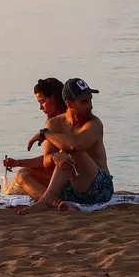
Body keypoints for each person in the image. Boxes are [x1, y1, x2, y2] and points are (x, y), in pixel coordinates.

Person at [19, 78, 112, 213]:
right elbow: (46, 161)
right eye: (84, 102)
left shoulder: (94, 124)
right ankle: (56, 203)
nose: (90, 106)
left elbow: (73, 145)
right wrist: (55, 156)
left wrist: (45, 135)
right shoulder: (54, 124)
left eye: (90, 100)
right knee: (23, 174)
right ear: (69, 104)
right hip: (71, 188)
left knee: (70, 150)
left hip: (99, 188)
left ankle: (45, 201)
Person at [1, 78, 66, 197]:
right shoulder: (73, 119)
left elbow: (47, 162)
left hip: (66, 180)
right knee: (31, 172)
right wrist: (18, 162)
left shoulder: (54, 124)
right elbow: (49, 159)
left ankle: (53, 203)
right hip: (76, 177)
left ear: (54, 98)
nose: (41, 108)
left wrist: (19, 163)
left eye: (42, 101)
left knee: (22, 175)